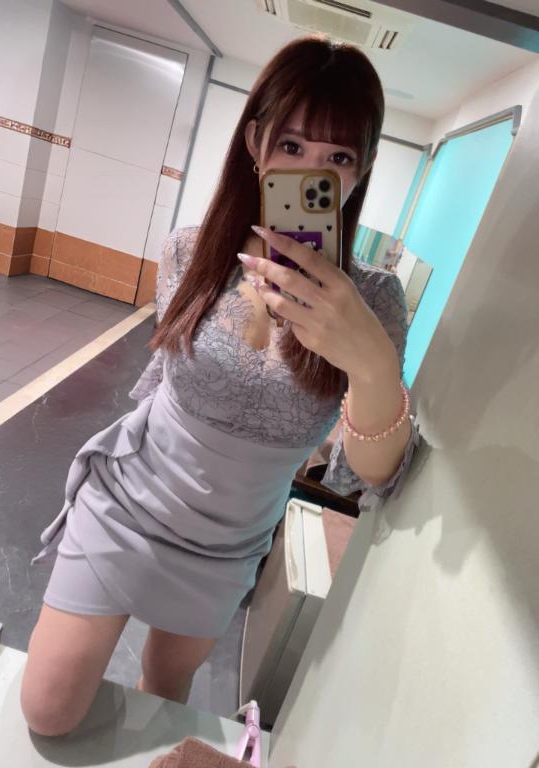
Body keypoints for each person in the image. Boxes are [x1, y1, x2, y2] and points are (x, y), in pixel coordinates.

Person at [21, 35, 420, 737]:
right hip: (129, 501)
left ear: (360, 172)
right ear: (256, 142)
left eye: (338, 158)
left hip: (229, 545)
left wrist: (372, 364)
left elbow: (374, 475)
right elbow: (164, 382)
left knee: (164, 694)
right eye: (292, 146)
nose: (312, 171)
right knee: (48, 710)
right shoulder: (190, 250)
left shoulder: (375, 301)